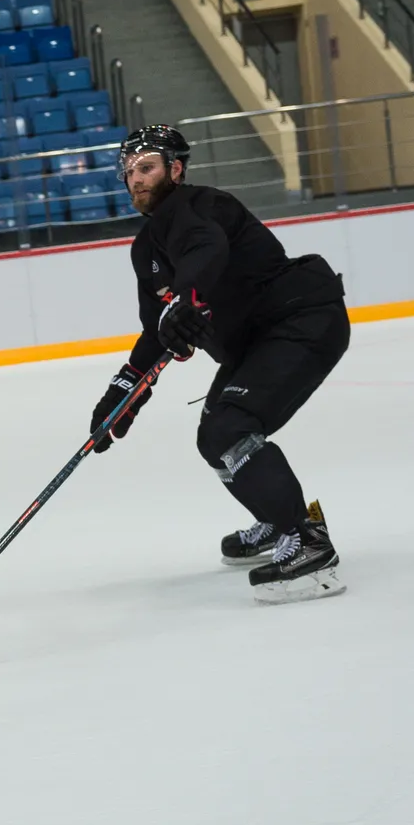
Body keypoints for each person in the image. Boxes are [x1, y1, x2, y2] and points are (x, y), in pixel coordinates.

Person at [89, 125, 350, 603]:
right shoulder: (145, 249)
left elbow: (206, 250)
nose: (136, 180)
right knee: (214, 435)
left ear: (176, 168)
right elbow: (158, 330)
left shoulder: (203, 207)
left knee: (231, 426)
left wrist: (186, 299)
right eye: (128, 173)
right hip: (256, 342)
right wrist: (124, 392)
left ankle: (310, 547)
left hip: (302, 320)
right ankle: (278, 522)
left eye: (146, 167)